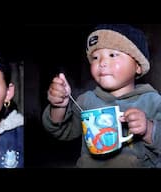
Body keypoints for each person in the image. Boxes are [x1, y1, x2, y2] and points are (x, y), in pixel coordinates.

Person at [42, 24, 161, 168]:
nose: (102, 63)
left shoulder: (153, 101)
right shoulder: (86, 101)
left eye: (113, 55)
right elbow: (62, 131)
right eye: (95, 57)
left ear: (138, 66)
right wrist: (58, 106)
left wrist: (148, 129)